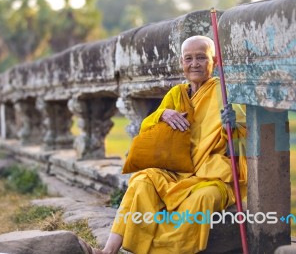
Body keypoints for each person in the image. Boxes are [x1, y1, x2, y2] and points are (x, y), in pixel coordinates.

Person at [79, 35, 247, 254]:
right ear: (181, 63)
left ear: (213, 62)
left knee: (201, 199)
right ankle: (108, 251)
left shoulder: (223, 93)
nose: (194, 64)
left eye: (201, 58)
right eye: (188, 59)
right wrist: (162, 114)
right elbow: (146, 129)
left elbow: (245, 138)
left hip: (212, 175)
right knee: (142, 181)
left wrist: (232, 126)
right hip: (177, 172)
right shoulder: (177, 93)